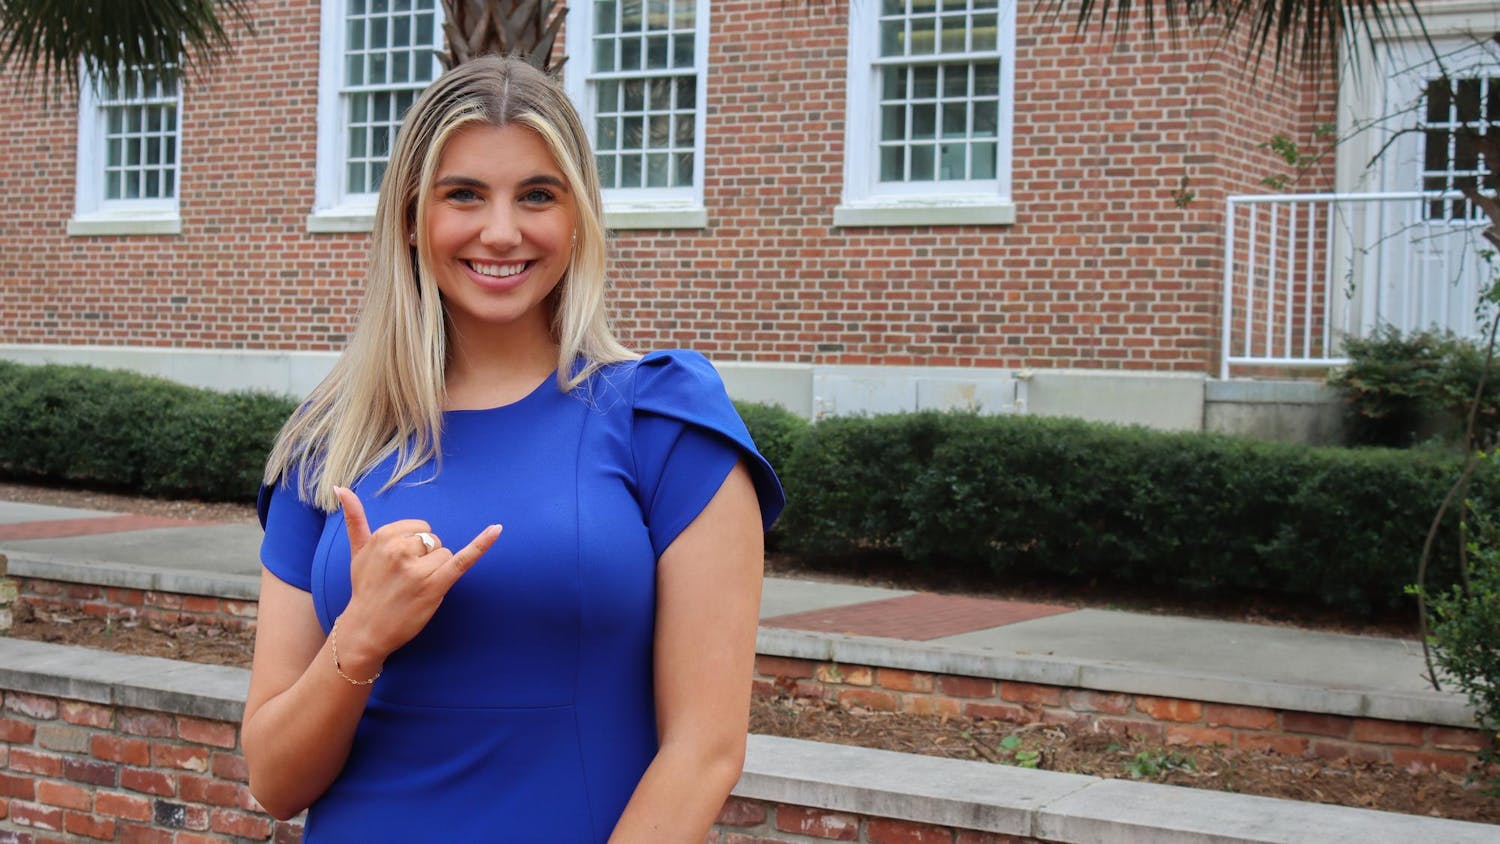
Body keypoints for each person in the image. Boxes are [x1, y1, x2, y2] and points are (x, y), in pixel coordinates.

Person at [242, 55, 784, 842]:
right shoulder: (330, 440)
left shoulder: (665, 420)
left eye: (537, 195)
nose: (502, 231)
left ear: (578, 219)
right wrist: (361, 636)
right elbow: (275, 782)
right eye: (464, 194)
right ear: (410, 217)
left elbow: (703, 751)